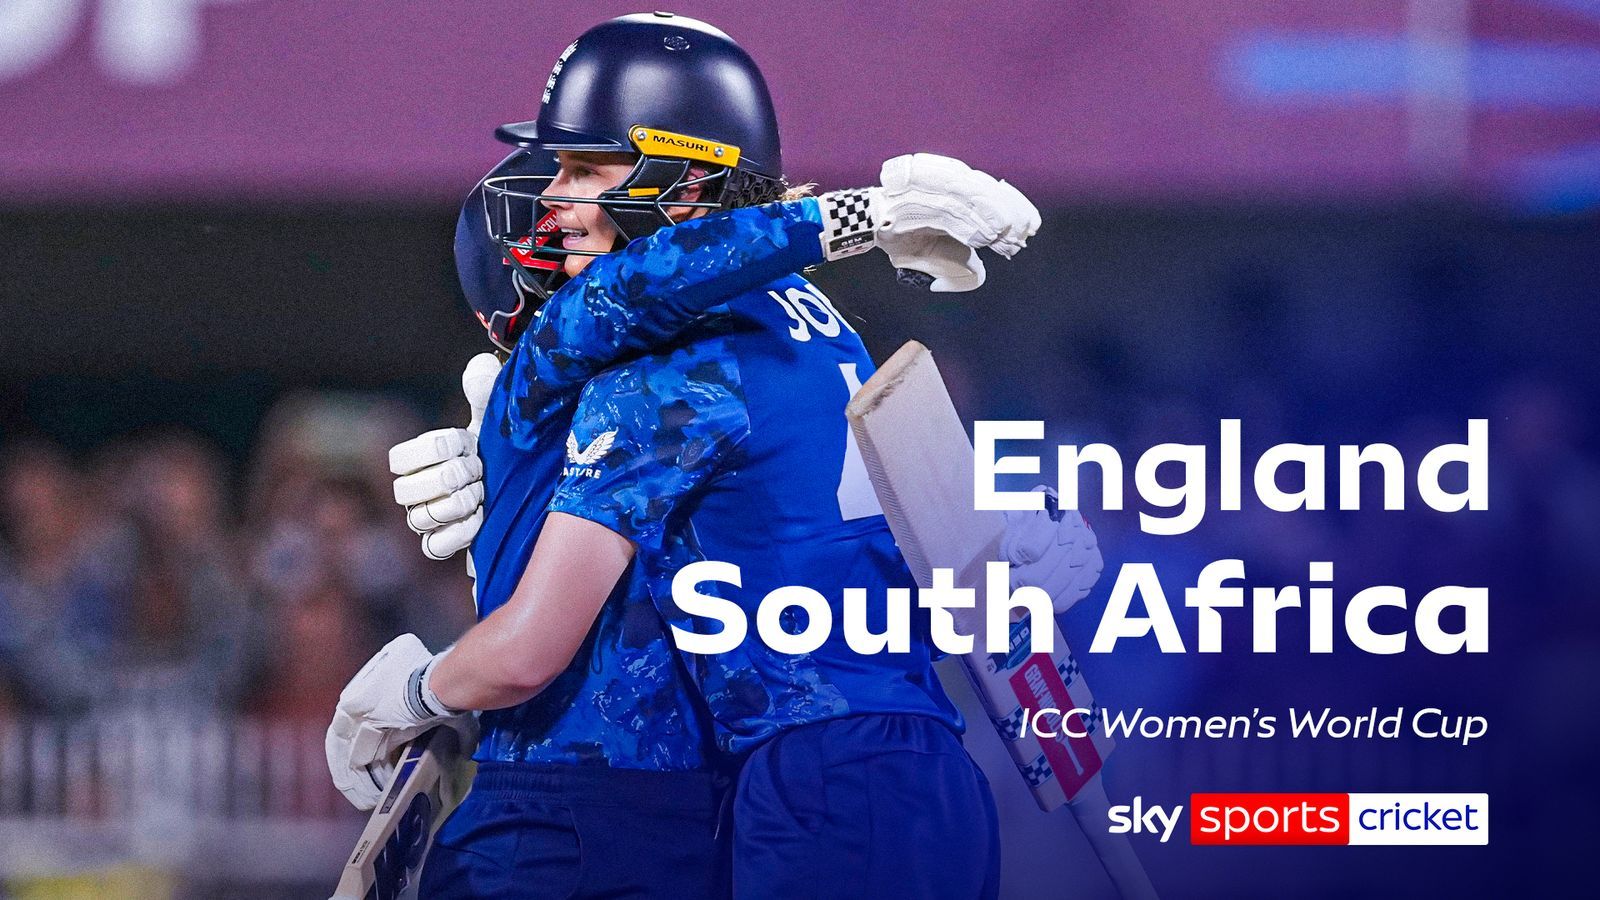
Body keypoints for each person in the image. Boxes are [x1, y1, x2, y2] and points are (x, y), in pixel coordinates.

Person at [327, 12, 1095, 899]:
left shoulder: (663, 368)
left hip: (789, 783)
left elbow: (533, 646)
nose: (552, 203)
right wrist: (998, 539)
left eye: (584, 168)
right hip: (906, 765)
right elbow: (814, 534)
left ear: (686, 182)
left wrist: (427, 688)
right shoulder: (817, 323)